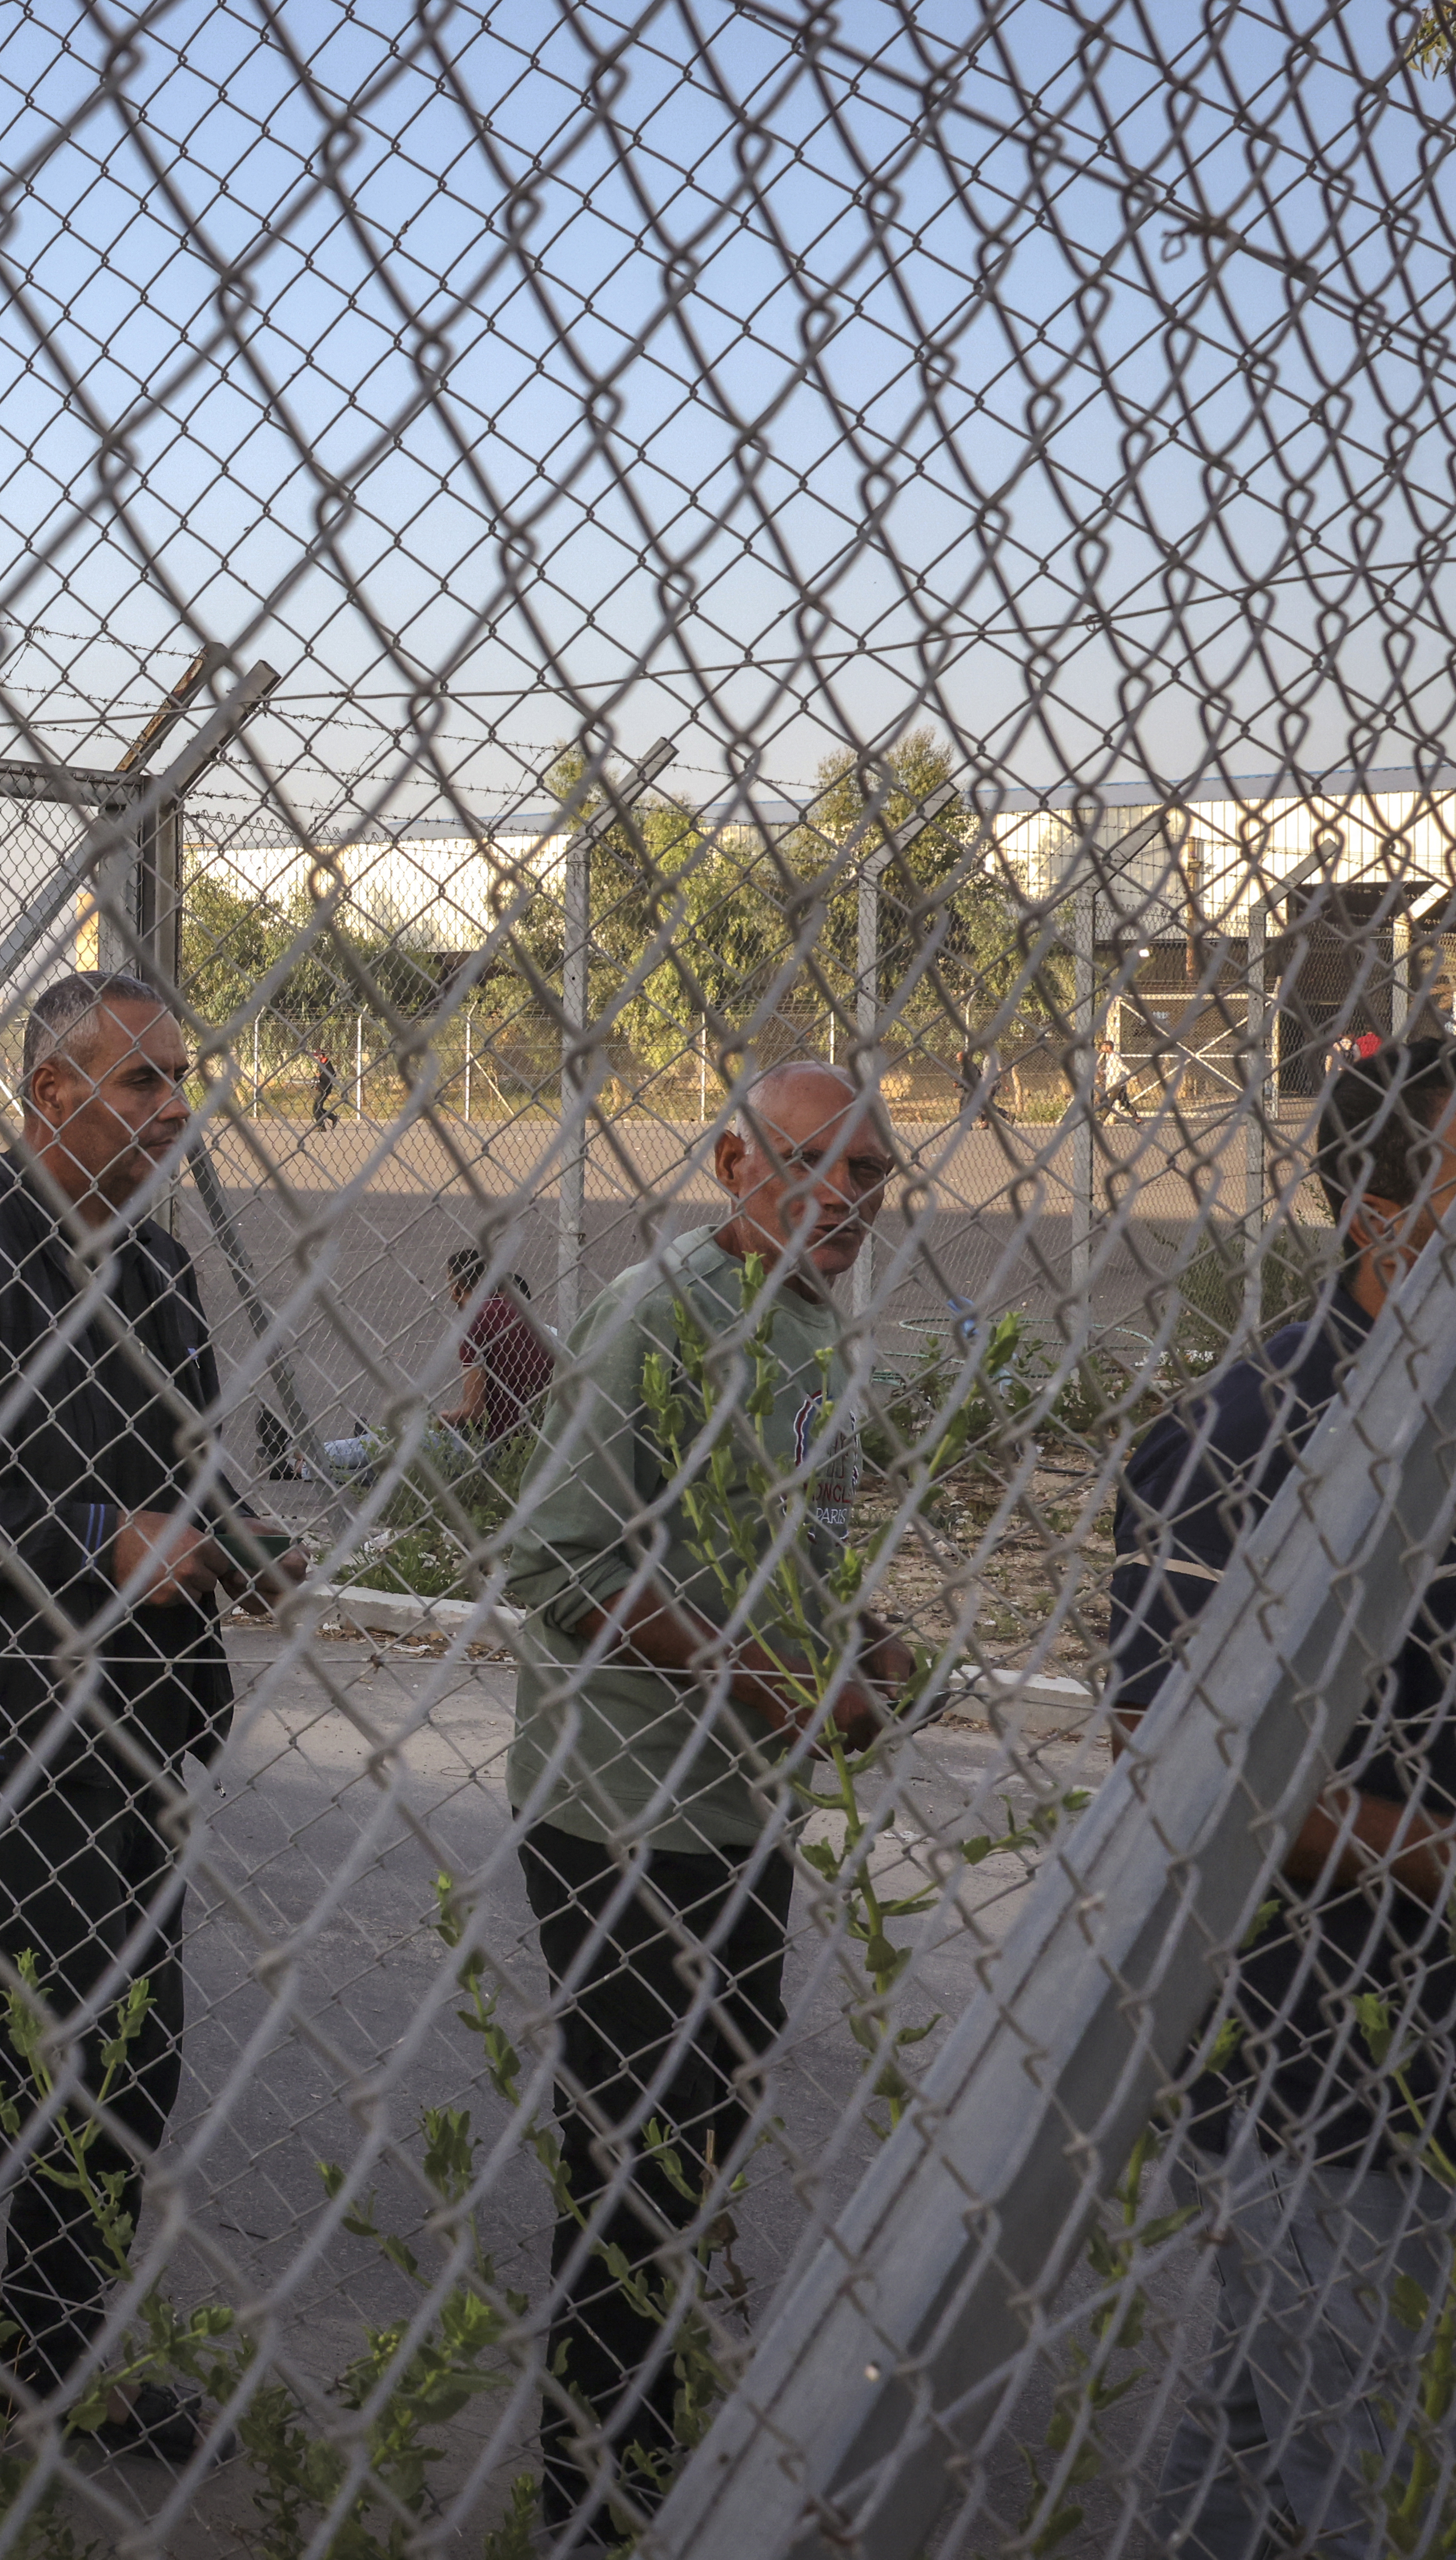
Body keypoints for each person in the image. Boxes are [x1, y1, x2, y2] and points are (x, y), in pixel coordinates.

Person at [0, 967, 290, 2459]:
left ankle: (50, 2349)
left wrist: (234, 1532)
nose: (175, 1106)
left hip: (137, 1713)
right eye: (142, 1079)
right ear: (46, 1093)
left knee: (128, 2048)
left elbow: (178, 1461)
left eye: (177, 1075)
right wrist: (99, 1535)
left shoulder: (149, 1272)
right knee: (52, 2034)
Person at [502, 1059, 910, 2545]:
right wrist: (767, 1681)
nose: (845, 1199)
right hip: (619, 1814)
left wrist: (850, 1633)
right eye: (813, 1165)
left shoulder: (805, 1319)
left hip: (735, 1812)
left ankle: (638, 2462)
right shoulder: (653, 1319)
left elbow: (761, 1540)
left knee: (695, 2141)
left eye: (869, 1174)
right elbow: (558, 1566)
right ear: (732, 1159)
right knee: (627, 2165)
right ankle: (590, 2507)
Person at [1114, 1033, 1456, 2557]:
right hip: (1321, 2068)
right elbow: (1168, 1759)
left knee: (1260, 2448)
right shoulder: (1236, 1436)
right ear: (1377, 1212)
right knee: (1341, 2460)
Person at [449, 1248, 558, 1442]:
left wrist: (442, 1419)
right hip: (545, 1433)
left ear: (456, 1289)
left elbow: (475, 1412)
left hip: (499, 1440)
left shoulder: (473, 1322)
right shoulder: (525, 1316)